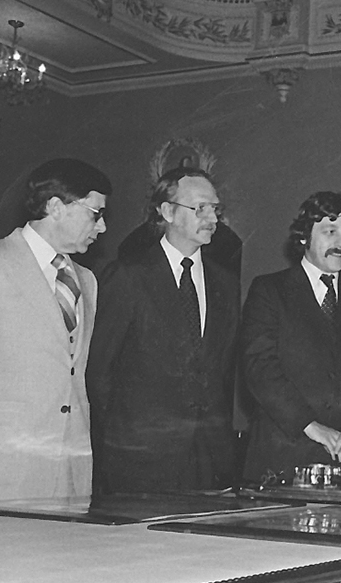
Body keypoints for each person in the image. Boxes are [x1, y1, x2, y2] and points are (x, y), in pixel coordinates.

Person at [0, 158, 111, 503]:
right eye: (95, 213)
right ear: (56, 206)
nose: (102, 228)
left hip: (70, 476)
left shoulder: (86, 281)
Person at [88, 168, 239, 493]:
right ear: (167, 211)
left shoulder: (225, 283)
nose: (212, 217)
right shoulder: (128, 275)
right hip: (139, 459)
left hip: (209, 458)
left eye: (215, 209)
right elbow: (99, 371)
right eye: (199, 208)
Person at [240, 192, 341, 481]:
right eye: (330, 231)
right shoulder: (269, 291)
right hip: (284, 457)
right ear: (303, 238)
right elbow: (259, 368)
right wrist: (309, 425)